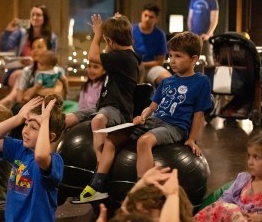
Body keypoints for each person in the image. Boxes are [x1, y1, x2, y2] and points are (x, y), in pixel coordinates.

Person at [79, 31, 211, 202]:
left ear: (193, 59)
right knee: (112, 138)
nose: (172, 60)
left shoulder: (201, 82)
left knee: (144, 141)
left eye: (178, 56)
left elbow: (199, 114)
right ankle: (98, 184)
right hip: (155, 120)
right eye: (171, 55)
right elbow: (153, 106)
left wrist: (192, 139)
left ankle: (144, 191)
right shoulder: (167, 81)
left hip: (175, 127)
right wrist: (142, 117)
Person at [65, 13, 141, 174]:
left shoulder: (124, 58)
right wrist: (119, 22)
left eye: (107, 41)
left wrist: (97, 34)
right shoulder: (126, 55)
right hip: (104, 106)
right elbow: (108, 50)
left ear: (110, 41)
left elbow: (92, 56)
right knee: (67, 119)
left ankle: (99, 160)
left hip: (118, 110)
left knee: (98, 121)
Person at [0, 5, 58, 91]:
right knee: (21, 74)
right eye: (32, 15)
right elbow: (4, 47)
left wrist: (34, 62)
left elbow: (52, 58)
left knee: (27, 76)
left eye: (38, 15)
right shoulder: (22, 33)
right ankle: (15, 101)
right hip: (20, 69)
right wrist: (8, 32)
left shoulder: (51, 37)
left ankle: (12, 101)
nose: (34, 17)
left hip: (42, 69)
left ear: (44, 18)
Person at [0, 37, 49, 109]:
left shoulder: (55, 70)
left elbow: (57, 92)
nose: (35, 50)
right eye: (33, 48)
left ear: (48, 49)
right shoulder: (27, 71)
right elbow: (20, 98)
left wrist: (31, 91)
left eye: (39, 47)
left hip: (48, 106)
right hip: (29, 106)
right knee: (17, 107)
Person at [133, 3, 171, 86]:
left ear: (156, 19)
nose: (147, 19)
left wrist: (143, 65)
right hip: (132, 68)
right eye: (145, 15)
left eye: (151, 17)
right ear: (141, 14)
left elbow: (160, 61)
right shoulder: (131, 30)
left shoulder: (160, 34)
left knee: (168, 80)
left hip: (149, 68)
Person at [188, 0, 219, 65]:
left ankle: (211, 77)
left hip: (206, 36)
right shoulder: (194, 0)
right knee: (192, 58)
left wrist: (208, 34)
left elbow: (214, 19)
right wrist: (190, 32)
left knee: (208, 58)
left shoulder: (212, 0)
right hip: (194, 35)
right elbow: (190, 18)